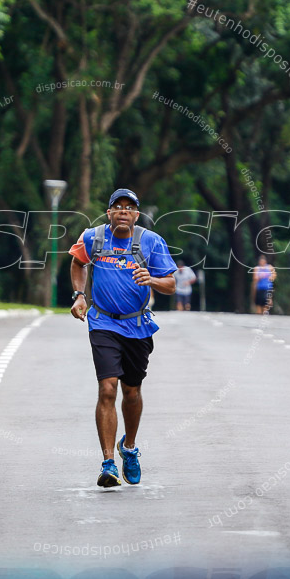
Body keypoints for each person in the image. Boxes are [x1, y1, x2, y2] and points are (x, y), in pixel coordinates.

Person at [69, 188, 177, 488]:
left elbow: (171, 283)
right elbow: (78, 262)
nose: (123, 212)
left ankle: (128, 447)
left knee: (131, 392)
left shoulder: (150, 242)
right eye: (118, 207)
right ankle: (108, 464)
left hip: (137, 326)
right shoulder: (94, 237)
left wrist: (151, 278)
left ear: (136, 215)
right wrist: (79, 295)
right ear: (109, 213)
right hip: (102, 322)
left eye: (129, 208)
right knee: (107, 389)